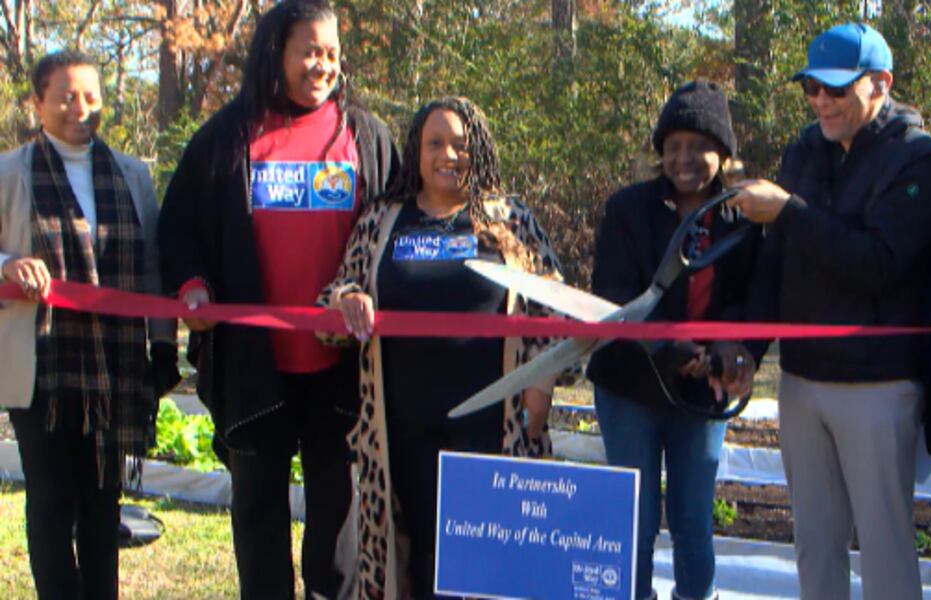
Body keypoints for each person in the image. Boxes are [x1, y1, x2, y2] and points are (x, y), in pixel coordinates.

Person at [156, 1, 400, 597]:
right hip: (253, 365)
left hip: (341, 367)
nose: (323, 66)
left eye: (333, 54)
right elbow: (181, 224)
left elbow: (398, 228)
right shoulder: (227, 137)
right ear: (277, 53)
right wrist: (193, 284)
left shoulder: (365, 136)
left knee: (337, 515)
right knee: (258, 511)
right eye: (310, 52)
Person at [727, 23, 931, 600]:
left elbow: (879, 262)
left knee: (884, 548)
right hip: (802, 379)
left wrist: (789, 211)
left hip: (878, 383)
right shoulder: (805, 148)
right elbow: (775, 259)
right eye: (811, 88)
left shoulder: (920, 159)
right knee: (815, 547)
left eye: (835, 89)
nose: (820, 101)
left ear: (881, 84)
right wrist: (750, 350)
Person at [320, 97, 568, 600]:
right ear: (416, 151)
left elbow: (555, 308)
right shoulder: (381, 220)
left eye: (461, 144)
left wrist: (539, 393)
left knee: (480, 572)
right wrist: (348, 299)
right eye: (436, 143)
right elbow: (333, 300)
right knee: (412, 567)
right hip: (400, 433)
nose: (448, 155)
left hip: (489, 430)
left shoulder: (508, 219)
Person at [0, 51, 179, 599]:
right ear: (39, 103)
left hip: (116, 370)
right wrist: (6, 265)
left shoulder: (132, 175)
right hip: (41, 370)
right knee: (51, 502)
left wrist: (162, 347)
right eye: (67, 96)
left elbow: (151, 267)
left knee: (102, 505)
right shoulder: (10, 171)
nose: (82, 108)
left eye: (92, 96)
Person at [586, 79, 759, 600]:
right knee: (633, 520)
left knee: (692, 519)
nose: (683, 158)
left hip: (700, 392)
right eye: (672, 145)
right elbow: (613, 297)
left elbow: (750, 297)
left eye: (699, 145)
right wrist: (666, 351)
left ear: (723, 154)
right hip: (630, 385)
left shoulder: (743, 219)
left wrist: (731, 349)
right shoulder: (627, 209)